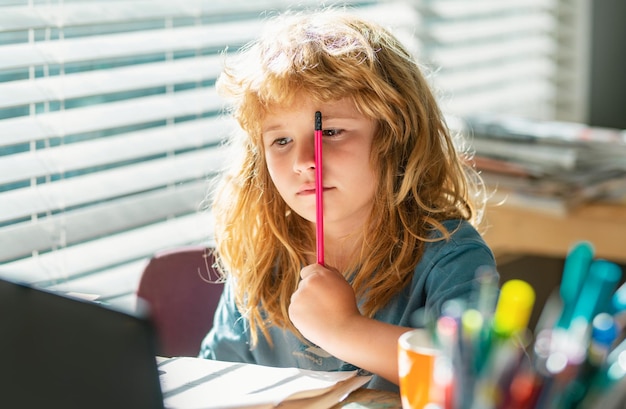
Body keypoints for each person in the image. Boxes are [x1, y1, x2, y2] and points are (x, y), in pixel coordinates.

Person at [199, 8, 497, 393]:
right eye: (281, 141)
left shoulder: (448, 256)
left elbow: (481, 378)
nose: (306, 161)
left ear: (396, 137)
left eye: (332, 131)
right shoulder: (261, 254)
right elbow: (216, 382)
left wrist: (346, 330)